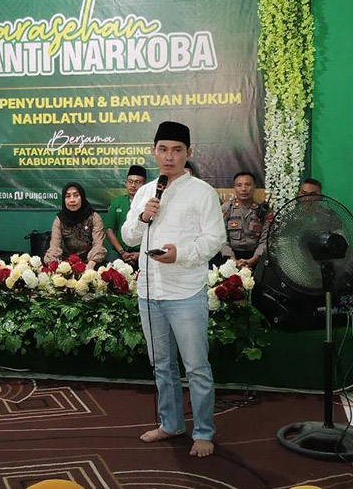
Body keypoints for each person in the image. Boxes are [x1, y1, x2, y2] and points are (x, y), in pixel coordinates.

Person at [121, 121, 226, 457]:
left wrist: (180, 254)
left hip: (185, 292)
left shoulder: (202, 192)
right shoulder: (144, 192)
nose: (169, 156)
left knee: (196, 367)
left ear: (189, 152)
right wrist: (143, 217)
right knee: (162, 365)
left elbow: (215, 239)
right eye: (163, 149)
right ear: (154, 151)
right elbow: (128, 237)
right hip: (149, 292)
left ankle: (204, 432)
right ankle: (171, 423)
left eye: (177, 150)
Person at [44, 182, 107, 267]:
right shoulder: (60, 220)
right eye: (68, 196)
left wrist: (90, 266)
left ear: (82, 197)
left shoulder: (94, 217)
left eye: (76, 195)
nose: (72, 200)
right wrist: (53, 265)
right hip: (68, 264)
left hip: (92, 262)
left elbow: (98, 246)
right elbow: (54, 248)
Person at [218, 171, 269, 269]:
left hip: (257, 256)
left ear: (254, 187)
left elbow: (266, 239)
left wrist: (254, 259)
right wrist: (233, 260)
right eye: (239, 185)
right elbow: (221, 238)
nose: (243, 189)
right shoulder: (226, 209)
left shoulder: (263, 210)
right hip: (230, 256)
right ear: (234, 188)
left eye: (248, 185)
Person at [105, 165, 147, 267]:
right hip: (120, 251)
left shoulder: (149, 204)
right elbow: (109, 230)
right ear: (126, 183)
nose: (133, 185)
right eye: (130, 181)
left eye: (137, 182)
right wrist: (122, 252)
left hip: (143, 252)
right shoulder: (117, 202)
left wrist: (141, 253)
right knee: (110, 261)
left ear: (144, 185)